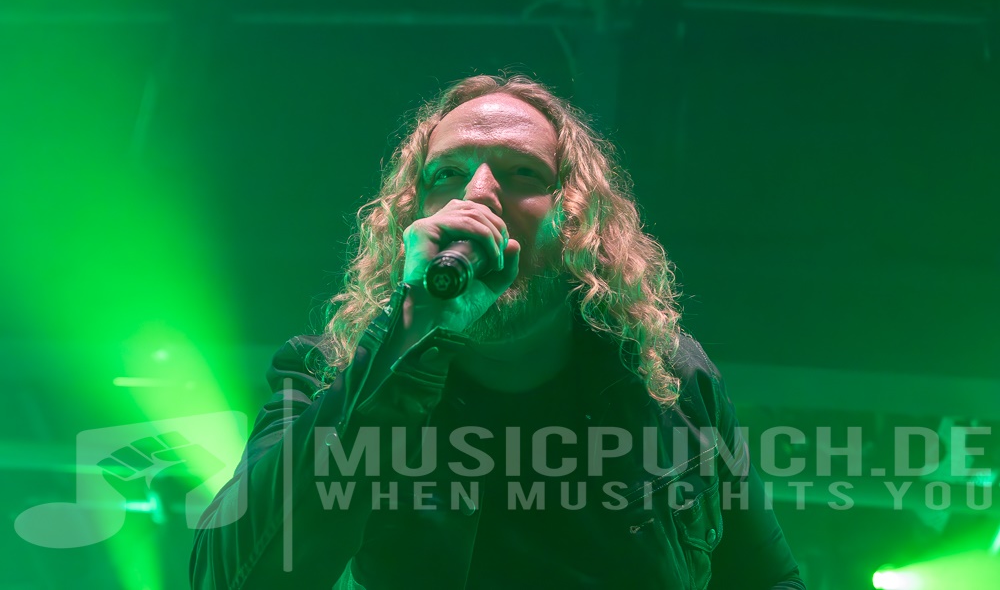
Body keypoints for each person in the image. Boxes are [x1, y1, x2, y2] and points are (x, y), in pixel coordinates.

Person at [190, 74, 806, 589]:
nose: (480, 195)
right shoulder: (330, 375)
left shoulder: (666, 377)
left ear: (578, 220)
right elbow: (227, 579)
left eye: (522, 174)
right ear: (413, 218)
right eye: (446, 175)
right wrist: (405, 340)